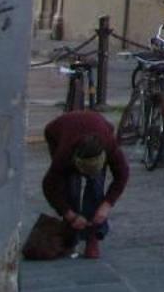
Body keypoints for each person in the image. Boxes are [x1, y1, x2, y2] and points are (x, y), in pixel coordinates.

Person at [40, 109, 129, 260]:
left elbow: (122, 174)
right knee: (70, 186)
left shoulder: (109, 145)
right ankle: (72, 230)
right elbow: (49, 185)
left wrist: (106, 205)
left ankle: (92, 236)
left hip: (99, 128)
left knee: (95, 185)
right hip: (59, 133)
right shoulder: (64, 154)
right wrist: (68, 213)